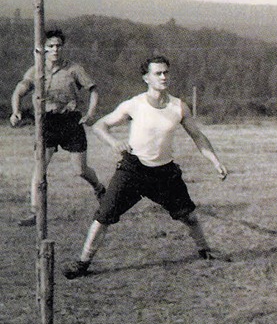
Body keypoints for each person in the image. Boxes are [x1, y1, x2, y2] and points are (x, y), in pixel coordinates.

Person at [63, 55, 229, 279]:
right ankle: (82, 263)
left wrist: (215, 161)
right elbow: (100, 125)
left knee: (189, 216)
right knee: (103, 217)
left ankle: (205, 251)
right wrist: (115, 143)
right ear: (146, 78)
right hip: (133, 170)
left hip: (165, 173)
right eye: (158, 73)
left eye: (166, 72)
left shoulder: (179, 106)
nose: (163, 77)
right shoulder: (135, 104)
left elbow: (198, 136)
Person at [10, 29, 106, 227]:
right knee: (39, 169)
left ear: (62, 47)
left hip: (71, 122)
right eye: (50, 46)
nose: (55, 49)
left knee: (80, 169)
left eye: (58, 46)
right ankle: (36, 213)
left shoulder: (73, 69)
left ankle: (99, 188)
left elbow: (94, 90)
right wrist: (16, 112)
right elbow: (18, 92)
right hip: (47, 123)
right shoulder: (36, 70)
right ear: (43, 49)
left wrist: (91, 114)